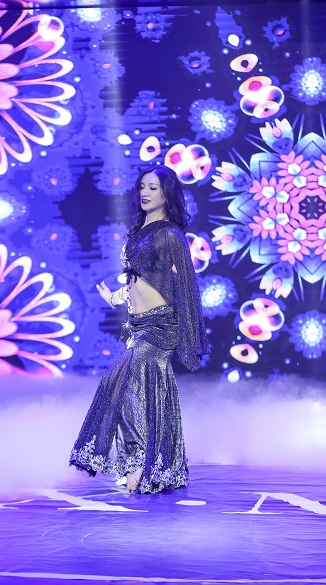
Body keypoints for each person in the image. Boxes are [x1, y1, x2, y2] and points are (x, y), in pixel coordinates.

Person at [69, 165, 209, 493]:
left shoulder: (170, 233)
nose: (145, 193)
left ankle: (138, 462)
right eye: (142, 187)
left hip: (161, 325)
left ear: (167, 194)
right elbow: (142, 279)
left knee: (122, 385)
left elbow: (186, 284)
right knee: (141, 391)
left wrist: (190, 335)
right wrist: (116, 296)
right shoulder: (141, 230)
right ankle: (157, 465)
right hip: (138, 325)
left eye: (153, 188)